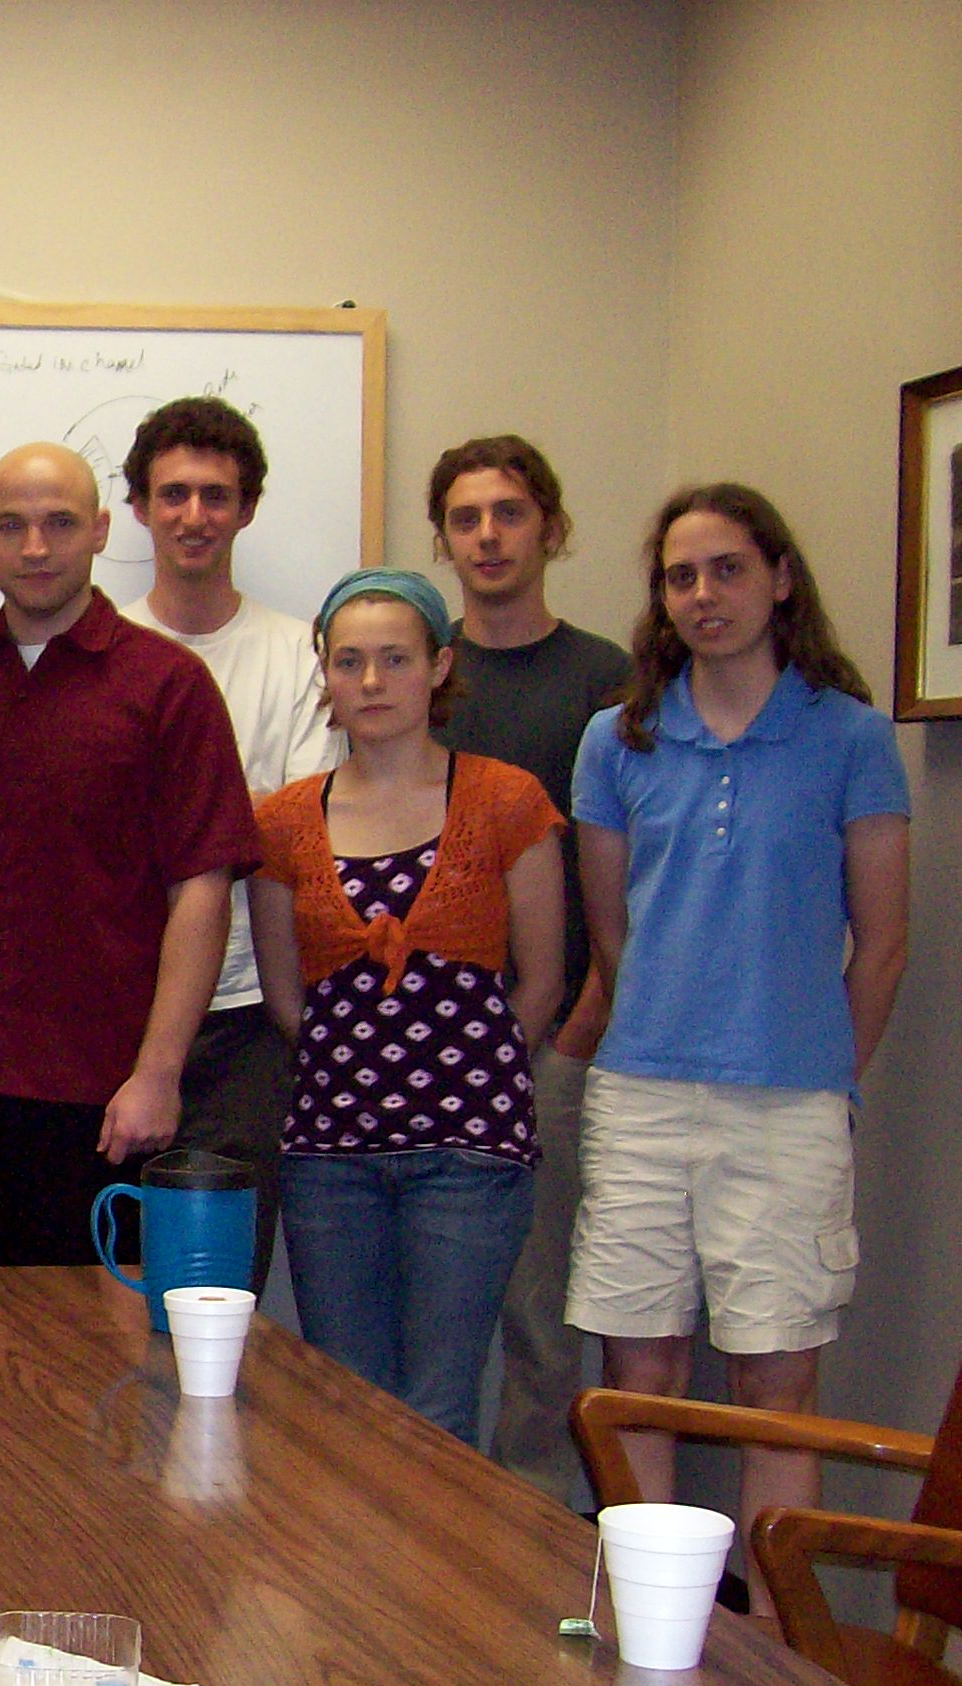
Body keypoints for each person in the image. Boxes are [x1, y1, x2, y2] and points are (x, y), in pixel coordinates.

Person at [569, 484, 910, 1600]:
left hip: (788, 1106)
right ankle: (647, 1617)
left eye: (724, 569)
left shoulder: (848, 736)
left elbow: (883, 945)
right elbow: (612, 934)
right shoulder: (616, 739)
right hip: (642, 1094)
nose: (702, 595)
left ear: (778, 578)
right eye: (679, 576)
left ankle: (774, 1642)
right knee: (640, 1372)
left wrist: (817, 1071)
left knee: (776, 1381)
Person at [0, 443, 259, 1268]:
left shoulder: (168, 686)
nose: (36, 548)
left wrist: (158, 1073)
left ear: (100, 531)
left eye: (59, 524)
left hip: (98, 1098)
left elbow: (203, 888)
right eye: (12, 526)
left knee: (88, 1375)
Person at [249, 570, 566, 1446]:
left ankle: (437, 1590)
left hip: (469, 1159)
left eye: (395, 659)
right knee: (344, 1406)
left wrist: (478, 1079)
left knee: (435, 1412)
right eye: (350, 662)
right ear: (326, 676)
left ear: (439, 666)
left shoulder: (506, 801)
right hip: (331, 1158)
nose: (373, 682)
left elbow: (541, 979)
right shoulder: (282, 821)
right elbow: (286, 996)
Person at [427, 436, 635, 1502]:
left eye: (509, 513)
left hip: (555, 1038)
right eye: (466, 518)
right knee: (441, 1310)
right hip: (426, 1050)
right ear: (442, 539)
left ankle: (536, 1531)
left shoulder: (606, 681)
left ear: (549, 527)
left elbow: (630, 865)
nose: (488, 536)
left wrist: (571, 1024)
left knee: (539, 1309)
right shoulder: (422, 673)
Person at [119, 396, 343, 1290]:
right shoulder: (105, 648)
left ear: (247, 508)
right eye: (172, 494)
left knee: (214, 1287)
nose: (194, 517)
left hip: (248, 1018)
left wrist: (176, 821)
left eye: (216, 496)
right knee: (101, 1283)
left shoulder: (300, 656)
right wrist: (225, 813)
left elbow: (299, 829)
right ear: (137, 508)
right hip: (117, 1012)